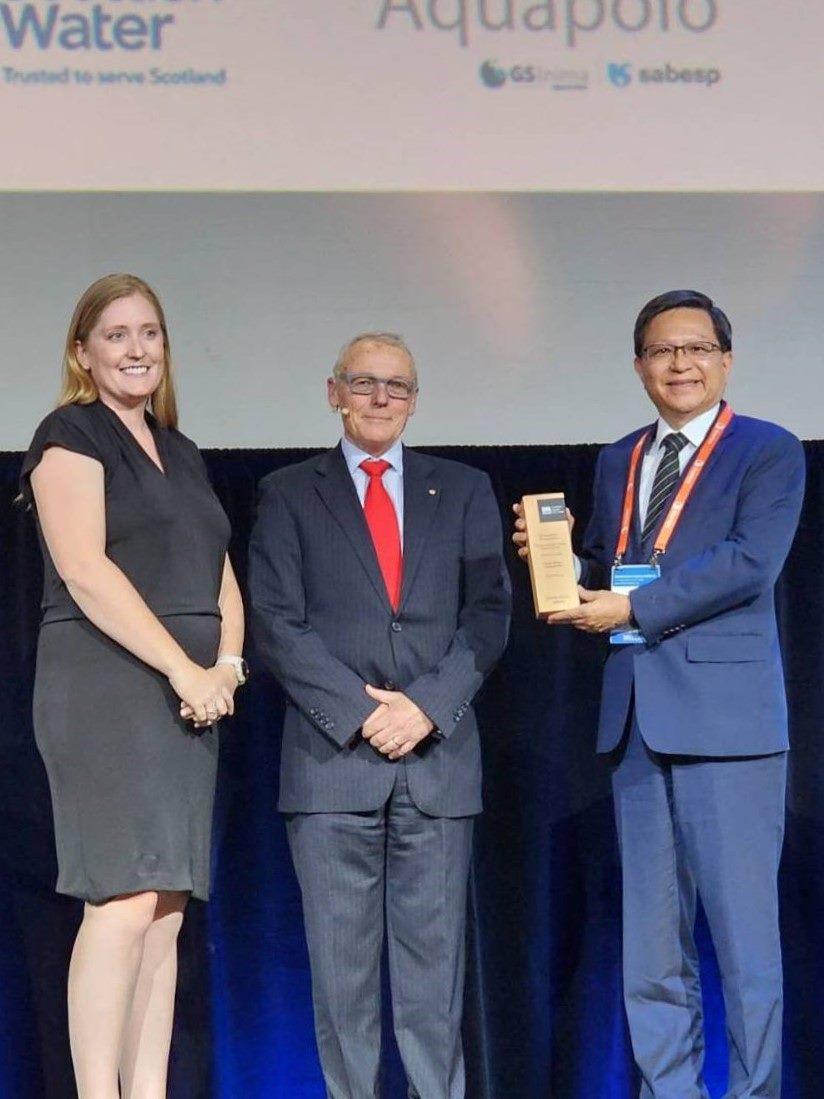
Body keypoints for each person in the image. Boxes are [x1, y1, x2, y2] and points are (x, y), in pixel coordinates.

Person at [514, 290, 804, 1097]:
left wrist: (632, 607)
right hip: (638, 720)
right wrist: (560, 565)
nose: (681, 364)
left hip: (730, 725)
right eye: (663, 350)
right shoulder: (621, 459)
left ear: (726, 360)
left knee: (745, 946)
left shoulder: (769, 451)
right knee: (650, 948)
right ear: (639, 365)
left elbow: (750, 562)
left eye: (697, 348)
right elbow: (613, 566)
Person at [248, 332, 511, 1099]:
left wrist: (425, 707)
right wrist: (365, 716)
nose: (380, 397)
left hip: (438, 764)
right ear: (334, 392)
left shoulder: (462, 488)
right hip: (333, 768)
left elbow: (489, 613)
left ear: (415, 400)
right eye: (363, 382)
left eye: (397, 385)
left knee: (434, 993)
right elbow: (276, 621)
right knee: (343, 991)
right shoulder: (289, 492)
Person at [20, 273, 246, 1099]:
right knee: (120, 897)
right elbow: (85, 570)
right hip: (107, 690)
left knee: (165, 909)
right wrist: (184, 668)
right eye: (116, 334)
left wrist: (226, 667)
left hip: (188, 701)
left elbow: (219, 574)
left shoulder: (180, 451)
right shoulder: (69, 435)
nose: (136, 348)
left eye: (149, 332)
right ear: (83, 352)